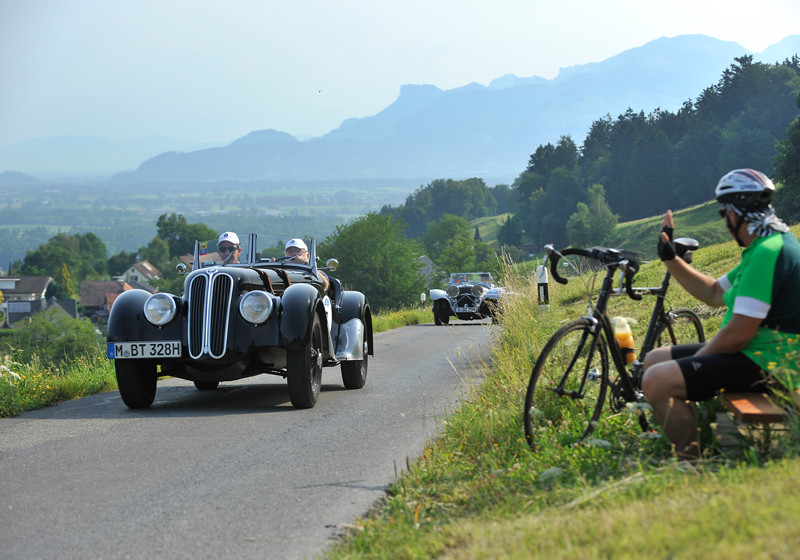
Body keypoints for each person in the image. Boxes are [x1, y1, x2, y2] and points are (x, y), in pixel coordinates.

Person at [642, 169, 800, 460]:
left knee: (657, 380)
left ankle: (692, 464)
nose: (725, 222)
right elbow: (714, 293)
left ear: (736, 212)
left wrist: (699, 362)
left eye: (723, 213)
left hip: (775, 363)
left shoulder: (769, 253)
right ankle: (697, 438)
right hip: (759, 353)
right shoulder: (766, 246)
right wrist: (670, 258)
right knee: (654, 359)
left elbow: (738, 334)